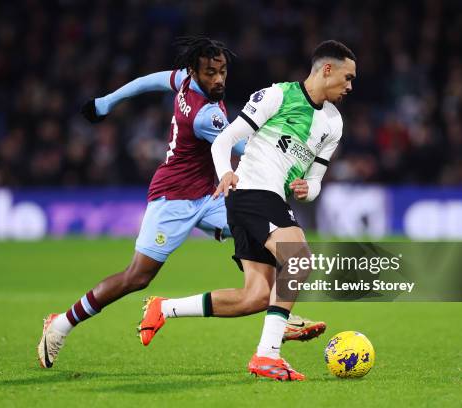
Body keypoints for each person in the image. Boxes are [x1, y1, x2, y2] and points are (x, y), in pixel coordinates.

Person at [37, 37, 324, 369]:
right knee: (137, 277)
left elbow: (150, 81)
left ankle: (278, 317)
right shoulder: (207, 117)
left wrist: (106, 102)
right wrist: (288, 168)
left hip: (211, 194)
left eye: (222, 71)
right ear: (194, 72)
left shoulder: (183, 80)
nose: (218, 80)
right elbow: (242, 148)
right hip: (173, 198)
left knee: (267, 235)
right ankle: (60, 324)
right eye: (210, 73)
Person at [139, 40, 356, 381]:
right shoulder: (277, 96)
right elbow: (225, 139)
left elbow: (315, 181)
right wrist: (225, 171)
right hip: (251, 189)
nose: (350, 86)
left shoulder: (333, 123)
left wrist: (308, 188)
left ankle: (164, 308)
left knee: (255, 297)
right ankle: (267, 355)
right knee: (299, 259)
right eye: (347, 77)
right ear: (326, 69)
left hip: (273, 199)